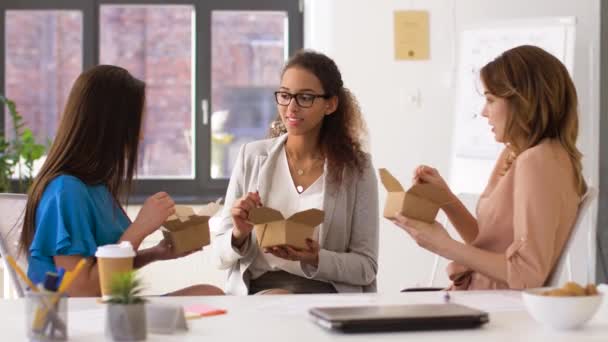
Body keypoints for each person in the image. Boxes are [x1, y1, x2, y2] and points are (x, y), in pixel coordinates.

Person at [392, 45, 586, 290]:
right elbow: (489, 244)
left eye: (491, 100)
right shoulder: (517, 154)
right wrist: (446, 199)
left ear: (524, 102)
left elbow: (527, 273)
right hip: (481, 298)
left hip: (493, 308)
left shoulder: (537, 162)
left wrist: (444, 245)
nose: (484, 112)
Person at [22, 65, 223, 296]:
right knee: (210, 295)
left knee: (209, 293)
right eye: (138, 120)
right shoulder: (66, 190)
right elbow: (81, 291)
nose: (141, 134)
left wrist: (154, 253)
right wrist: (139, 229)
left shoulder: (95, 185)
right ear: (114, 124)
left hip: (105, 309)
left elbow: (104, 269)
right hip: (78, 319)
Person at [212, 50, 379, 295]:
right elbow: (219, 257)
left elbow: (366, 267)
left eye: (305, 98)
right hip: (259, 295)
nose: (291, 107)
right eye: (285, 95)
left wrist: (316, 258)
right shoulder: (251, 157)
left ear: (330, 104)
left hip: (325, 295)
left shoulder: (357, 169)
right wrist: (239, 233)